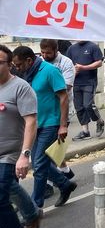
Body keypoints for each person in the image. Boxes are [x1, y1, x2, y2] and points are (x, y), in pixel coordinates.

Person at [12, 46, 77, 208]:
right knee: (40, 163)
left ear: (29, 60)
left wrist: (63, 125)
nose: (17, 68)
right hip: (34, 124)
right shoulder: (26, 74)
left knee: (39, 165)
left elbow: (63, 98)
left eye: (19, 65)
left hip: (51, 123)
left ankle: (35, 205)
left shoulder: (50, 71)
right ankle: (64, 184)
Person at [0, 45, 40, 228]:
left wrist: (25, 155)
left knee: (0, 198)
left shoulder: (20, 87)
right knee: (7, 192)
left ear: (9, 65)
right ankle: (31, 213)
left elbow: (31, 121)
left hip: (8, 155)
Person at [39, 39, 76, 196]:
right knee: (54, 146)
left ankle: (48, 182)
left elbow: (65, 87)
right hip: (44, 112)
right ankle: (65, 170)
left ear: (56, 50)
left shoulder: (66, 63)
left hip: (62, 110)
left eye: (48, 53)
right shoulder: (40, 62)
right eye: (42, 52)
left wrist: (45, 86)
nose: (45, 56)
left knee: (49, 148)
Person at [66, 40, 105, 141]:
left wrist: (84, 67)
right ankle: (85, 131)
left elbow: (99, 62)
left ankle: (99, 121)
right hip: (76, 82)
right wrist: (73, 72)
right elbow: (68, 65)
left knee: (88, 105)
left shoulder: (93, 46)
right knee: (79, 107)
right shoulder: (71, 48)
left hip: (89, 81)